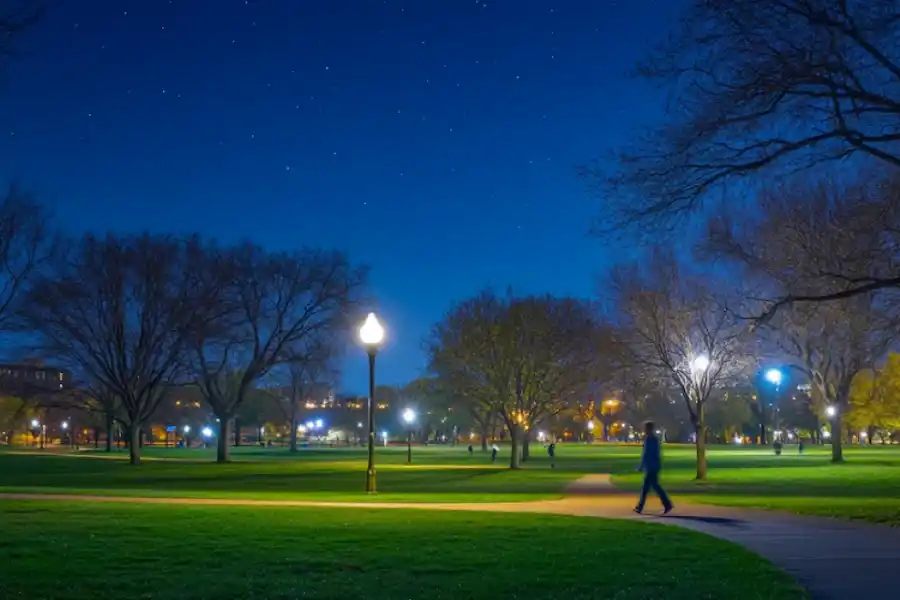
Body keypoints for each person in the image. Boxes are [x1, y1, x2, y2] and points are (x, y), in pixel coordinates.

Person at [634, 421, 673, 515]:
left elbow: (646, 454)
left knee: (650, 487)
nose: (644, 430)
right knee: (650, 487)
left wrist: (641, 466)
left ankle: (666, 504)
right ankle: (666, 504)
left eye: (645, 428)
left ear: (649, 429)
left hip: (651, 467)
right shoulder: (653, 439)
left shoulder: (650, 439)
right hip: (653, 466)